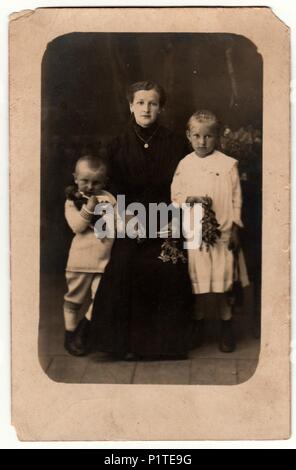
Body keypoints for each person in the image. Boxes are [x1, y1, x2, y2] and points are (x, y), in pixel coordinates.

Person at [90, 81, 193, 360]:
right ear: (130, 106)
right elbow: (106, 190)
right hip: (129, 220)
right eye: (140, 102)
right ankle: (124, 344)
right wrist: (127, 221)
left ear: (161, 107)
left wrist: (174, 218)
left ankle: (160, 346)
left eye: (152, 103)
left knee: (166, 265)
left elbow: (186, 184)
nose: (146, 108)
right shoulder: (115, 146)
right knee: (124, 263)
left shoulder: (176, 143)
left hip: (166, 219)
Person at [171, 110, 249, 352]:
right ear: (189, 136)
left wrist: (235, 227)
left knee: (223, 283)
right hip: (196, 235)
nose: (202, 142)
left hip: (223, 234)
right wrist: (188, 199)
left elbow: (236, 198)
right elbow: (175, 195)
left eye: (208, 136)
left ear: (217, 137)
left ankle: (226, 324)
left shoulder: (227, 165)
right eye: (197, 136)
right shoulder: (185, 164)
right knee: (200, 282)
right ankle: (199, 324)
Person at [63, 155, 116, 356]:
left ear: (104, 182)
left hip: (103, 261)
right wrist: (89, 208)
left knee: (102, 299)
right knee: (74, 299)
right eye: (84, 180)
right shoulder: (72, 201)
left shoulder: (109, 198)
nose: (90, 186)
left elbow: (114, 225)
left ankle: (83, 329)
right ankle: (69, 334)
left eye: (96, 182)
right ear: (75, 178)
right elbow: (77, 226)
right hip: (80, 262)